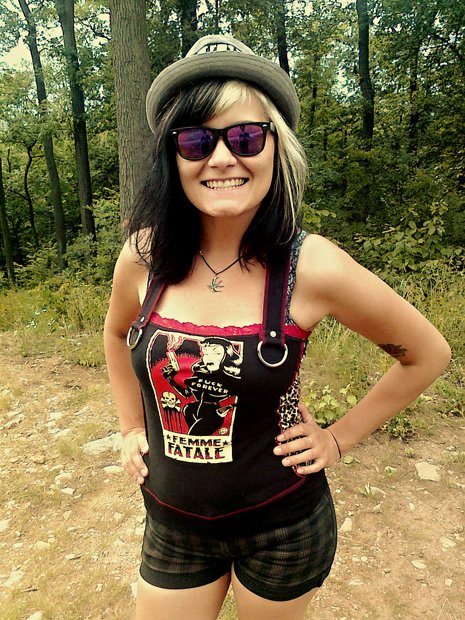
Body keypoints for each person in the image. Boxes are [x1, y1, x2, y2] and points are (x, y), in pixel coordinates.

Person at [103, 35, 451, 620]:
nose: (221, 158)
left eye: (244, 136)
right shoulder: (144, 256)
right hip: (172, 527)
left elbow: (427, 353)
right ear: (172, 157)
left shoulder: (311, 267)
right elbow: (117, 334)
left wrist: (337, 439)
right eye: (195, 140)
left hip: (283, 530)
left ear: (275, 148)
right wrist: (129, 425)